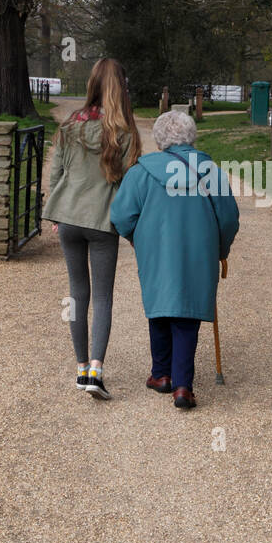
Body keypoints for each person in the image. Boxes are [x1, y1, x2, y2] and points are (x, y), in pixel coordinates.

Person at [110, 110, 240, 410]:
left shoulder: (141, 171)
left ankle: (161, 375)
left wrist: (135, 238)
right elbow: (229, 218)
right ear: (191, 136)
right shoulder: (210, 171)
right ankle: (183, 386)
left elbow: (120, 216)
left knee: (160, 307)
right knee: (187, 313)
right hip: (199, 251)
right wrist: (221, 248)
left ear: (159, 138)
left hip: (156, 250)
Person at [43, 58, 142, 399]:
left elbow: (56, 173)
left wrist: (56, 215)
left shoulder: (71, 125)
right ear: (120, 88)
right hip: (103, 221)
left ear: (92, 85)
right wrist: (130, 227)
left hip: (68, 217)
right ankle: (96, 372)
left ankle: (81, 368)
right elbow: (130, 187)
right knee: (102, 297)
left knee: (77, 294)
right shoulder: (124, 132)